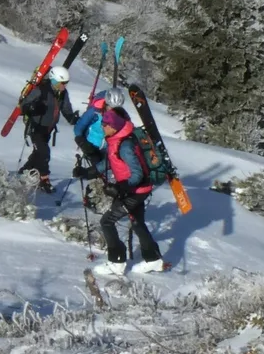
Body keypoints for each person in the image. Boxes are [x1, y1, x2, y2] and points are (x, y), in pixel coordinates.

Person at [73, 88, 164, 275]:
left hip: (134, 191)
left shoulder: (125, 145)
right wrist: (86, 173)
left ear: (113, 126)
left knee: (107, 222)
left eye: (105, 125)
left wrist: (119, 188)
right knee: (138, 223)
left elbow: (137, 174)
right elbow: (108, 163)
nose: (102, 127)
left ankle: (117, 262)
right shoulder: (116, 140)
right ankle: (154, 260)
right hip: (135, 190)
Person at [17, 65, 78, 190]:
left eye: (66, 83)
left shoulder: (62, 93)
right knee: (44, 153)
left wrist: (73, 119)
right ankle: (44, 180)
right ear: (55, 80)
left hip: (48, 129)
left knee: (38, 153)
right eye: (62, 83)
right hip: (36, 127)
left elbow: (66, 109)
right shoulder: (41, 90)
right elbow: (24, 106)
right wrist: (34, 108)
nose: (64, 86)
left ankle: (25, 171)